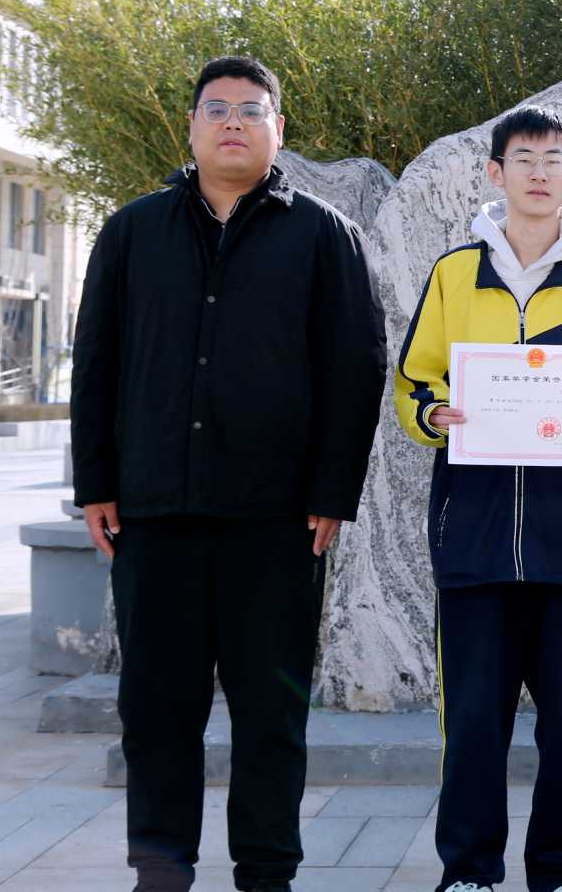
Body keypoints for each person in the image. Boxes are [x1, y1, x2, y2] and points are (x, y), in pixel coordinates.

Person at [72, 55, 388, 892]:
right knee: (155, 711)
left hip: (277, 523)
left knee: (271, 712)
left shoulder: (324, 235)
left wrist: (332, 491)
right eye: (217, 109)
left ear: (279, 128)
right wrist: (95, 483)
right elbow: (95, 362)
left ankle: (267, 873)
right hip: (155, 514)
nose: (234, 122)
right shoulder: (132, 232)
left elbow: (357, 366)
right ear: (192, 125)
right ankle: (161, 868)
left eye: (252, 109)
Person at [395, 104, 562, 892]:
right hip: (472, 535)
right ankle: (470, 871)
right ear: (495, 172)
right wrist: (433, 414)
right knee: (473, 720)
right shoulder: (454, 273)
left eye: (553, 161)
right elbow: (413, 383)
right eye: (524, 159)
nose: (539, 174)